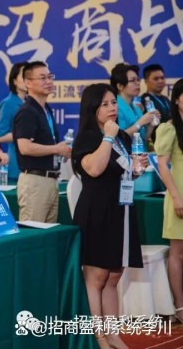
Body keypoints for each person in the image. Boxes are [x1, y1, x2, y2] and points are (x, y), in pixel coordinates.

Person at [71, 83, 144, 349]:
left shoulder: (122, 136)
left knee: (114, 277)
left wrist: (136, 169)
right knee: (97, 278)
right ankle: (99, 337)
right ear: (92, 109)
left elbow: (122, 171)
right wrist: (108, 138)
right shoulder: (88, 138)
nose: (112, 108)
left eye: (114, 102)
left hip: (121, 211)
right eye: (105, 104)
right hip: (97, 212)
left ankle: (113, 334)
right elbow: (94, 169)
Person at [14, 61, 71, 223]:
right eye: (42, 78)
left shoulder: (45, 109)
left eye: (50, 77)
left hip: (51, 180)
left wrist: (60, 150)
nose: (48, 81)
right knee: (34, 233)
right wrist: (56, 149)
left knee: (48, 234)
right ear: (28, 83)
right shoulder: (27, 111)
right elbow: (25, 147)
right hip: (35, 181)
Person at [155, 78, 183, 323]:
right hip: (179, 192)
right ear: (177, 100)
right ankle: (180, 305)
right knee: (178, 253)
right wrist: (175, 197)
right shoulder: (170, 128)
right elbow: (162, 166)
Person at [111, 63, 158, 145]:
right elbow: (119, 139)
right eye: (132, 80)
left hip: (139, 151)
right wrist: (140, 123)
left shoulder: (136, 108)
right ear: (120, 86)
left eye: (138, 80)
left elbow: (143, 139)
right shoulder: (114, 107)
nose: (138, 83)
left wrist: (151, 124)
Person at [0, 62, 28, 181]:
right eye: (23, 76)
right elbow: (0, 136)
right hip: (16, 165)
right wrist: (24, 135)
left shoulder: (30, 103)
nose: (27, 80)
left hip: (32, 165)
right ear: (14, 80)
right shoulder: (8, 103)